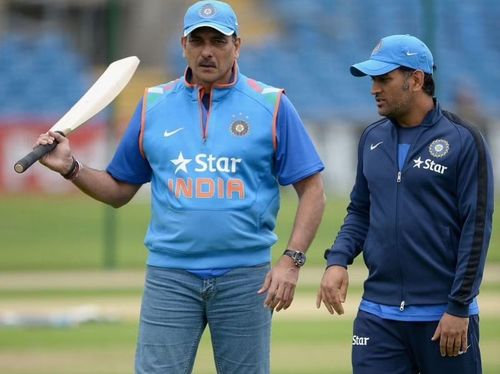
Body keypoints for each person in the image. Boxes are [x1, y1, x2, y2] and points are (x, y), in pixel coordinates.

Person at [35, 1, 325, 373]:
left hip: (246, 277)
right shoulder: (153, 105)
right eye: (198, 40)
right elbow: (119, 188)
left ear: (237, 45)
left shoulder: (272, 104)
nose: (207, 51)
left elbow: (313, 189)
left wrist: (292, 261)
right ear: (183, 44)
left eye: (218, 41)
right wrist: (71, 168)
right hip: (170, 277)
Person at [316, 34, 493, 373]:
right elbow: (361, 211)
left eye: (384, 79)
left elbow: (477, 227)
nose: (374, 89)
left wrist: (458, 306)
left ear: (416, 79)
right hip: (377, 318)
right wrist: (337, 260)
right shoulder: (371, 138)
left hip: (443, 318)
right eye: (372, 80)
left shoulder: (464, 139)